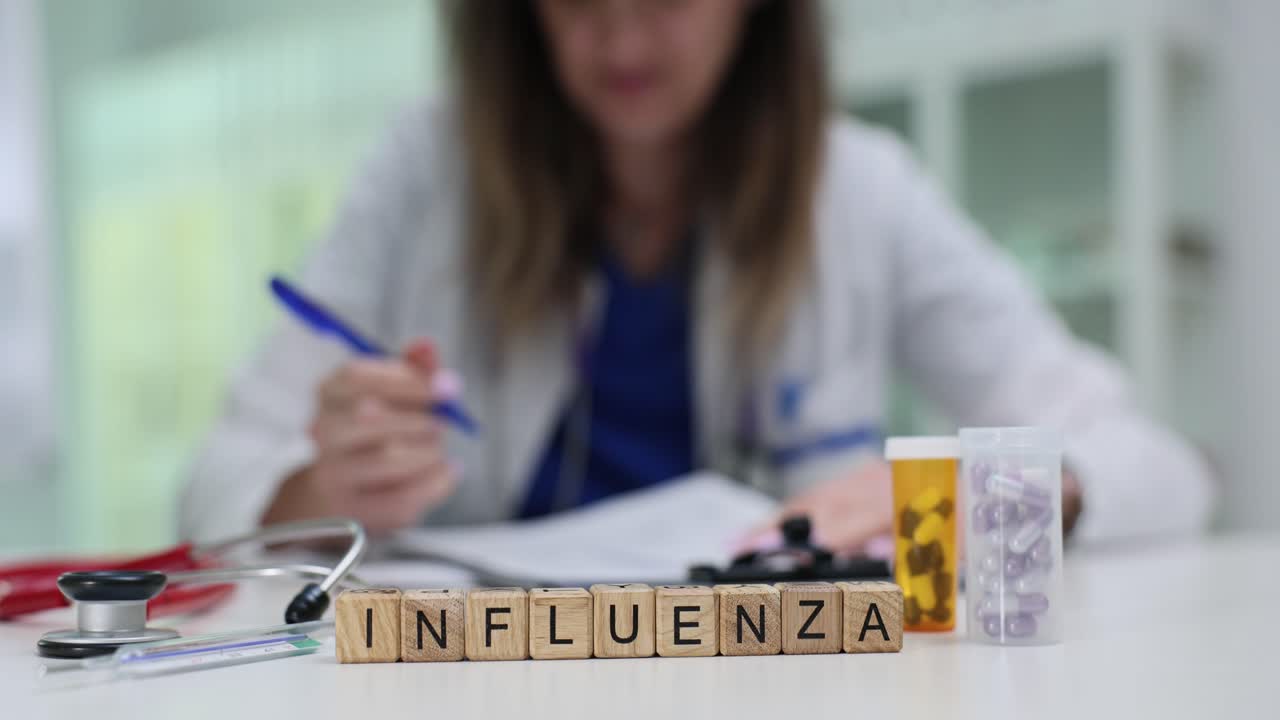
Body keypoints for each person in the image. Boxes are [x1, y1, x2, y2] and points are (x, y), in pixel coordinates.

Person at [181, 0, 1214, 550]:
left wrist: (972, 492)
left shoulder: (859, 192)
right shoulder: (425, 176)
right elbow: (211, 491)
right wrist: (322, 485)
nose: (620, 33)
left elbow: (1155, 468)